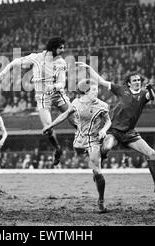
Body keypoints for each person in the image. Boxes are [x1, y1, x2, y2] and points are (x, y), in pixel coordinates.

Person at [76, 62, 155, 195]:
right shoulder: (121, 90)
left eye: (139, 80)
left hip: (129, 133)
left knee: (151, 153)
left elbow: (152, 97)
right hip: (114, 131)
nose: (137, 82)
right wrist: (88, 68)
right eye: (134, 80)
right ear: (128, 83)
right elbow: (100, 80)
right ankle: (98, 167)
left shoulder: (144, 94)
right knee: (107, 147)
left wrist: (149, 89)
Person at [0, 37, 73, 166]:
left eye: (63, 47)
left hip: (58, 95)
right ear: (53, 48)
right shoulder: (37, 58)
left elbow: (62, 82)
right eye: (61, 48)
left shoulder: (61, 62)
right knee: (48, 127)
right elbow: (15, 62)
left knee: (75, 117)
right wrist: (2, 74)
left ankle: (87, 144)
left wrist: (53, 87)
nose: (63, 50)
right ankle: (58, 149)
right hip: (42, 97)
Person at [43, 79, 111, 213]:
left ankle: (101, 200)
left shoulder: (102, 105)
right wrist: (50, 125)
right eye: (93, 90)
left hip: (94, 139)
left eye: (97, 90)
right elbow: (64, 115)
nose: (96, 92)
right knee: (91, 161)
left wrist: (104, 130)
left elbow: (108, 121)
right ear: (85, 92)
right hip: (79, 141)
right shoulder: (76, 103)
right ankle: (98, 160)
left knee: (97, 170)